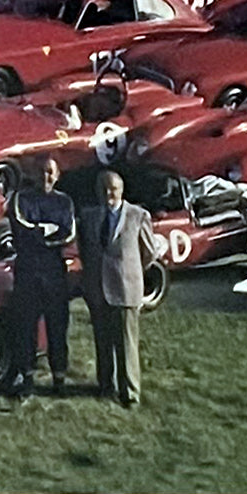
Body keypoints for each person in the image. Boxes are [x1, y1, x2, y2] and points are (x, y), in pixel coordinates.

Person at [77, 169, 158, 407]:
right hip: (97, 288)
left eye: (112, 188)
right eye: (103, 188)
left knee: (126, 343)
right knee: (102, 342)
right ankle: (105, 386)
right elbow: (85, 250)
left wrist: (130, 270)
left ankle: (130, 393)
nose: (107, 193)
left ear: (121, 190)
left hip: (125, 288)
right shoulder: (89, 216)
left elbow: (149, 253)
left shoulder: (137, 215)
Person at [7, 154, 76, 397]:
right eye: (42, 171)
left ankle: (59, 378)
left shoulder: (65, 202)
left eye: (50, 172)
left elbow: (67, 234)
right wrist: (46, 230)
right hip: (27, 271)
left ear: (57, 176)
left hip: (54, 273)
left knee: (58, 326)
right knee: (25, 327)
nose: (45, 177)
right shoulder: (20, 198)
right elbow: (20, 229)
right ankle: (26, 377)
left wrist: (38, 233)